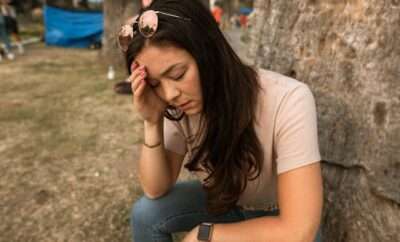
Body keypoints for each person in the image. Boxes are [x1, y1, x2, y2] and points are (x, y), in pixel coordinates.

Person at [118, 0, 323, 241]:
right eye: (155, 84)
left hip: (280, 220)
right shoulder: (177, 104)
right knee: (146, 214)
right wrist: (152, 122)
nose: (169, 93)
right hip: (226, 204)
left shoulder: (288, 99)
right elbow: (155, 188)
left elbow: (298, 231)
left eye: (178, 74)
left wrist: (205, 236)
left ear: (208, 50)